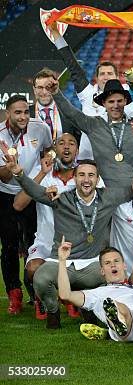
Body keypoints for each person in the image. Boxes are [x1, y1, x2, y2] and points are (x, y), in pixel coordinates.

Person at [6, 157, 133, 328]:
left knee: (114, 274)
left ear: (97, 179)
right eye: (81, 175)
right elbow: (35, 191)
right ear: (74, 178)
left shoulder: (108, 197)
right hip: (61, 262)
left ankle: (93, 309)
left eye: (91, 175)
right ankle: (53, 311)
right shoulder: (61, 197)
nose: (86, 179)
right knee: (41, 278)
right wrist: (18, 173)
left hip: (92, 264)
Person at [47, 14, 133, 159]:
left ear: (117, 77)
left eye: (110, 73)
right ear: (96, 79)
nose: (106, 76)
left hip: (121, 159)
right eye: (102, 74)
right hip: (89, 160)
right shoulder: (87, 93)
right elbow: (73, 67)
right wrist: (56, 34)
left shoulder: (129, 92)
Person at [11, 133, 98, 319]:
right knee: (34, 268)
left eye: (72, 143)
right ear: (54, 149)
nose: (66, 147)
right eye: (61, 143)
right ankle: (44, 301)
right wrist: (42, 174)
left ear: (77, 150)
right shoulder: (41, 170)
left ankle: (71, 297)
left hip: (77, 243)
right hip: (46, 241)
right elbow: (18, 204)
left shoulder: (86, 175)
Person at [57, 240, 133, 349]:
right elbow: (65, 295)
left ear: (124, 266)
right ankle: (117, 319)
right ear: (102, 271)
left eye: (116, 261)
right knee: (118, 306)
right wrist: (62, 260)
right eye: (107, 263)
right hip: (127, 324)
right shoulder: (96, 293)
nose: (113, 265)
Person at [44, 76, 133, 189]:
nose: (115, 105)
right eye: (111, 101)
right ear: (104, 103)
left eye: (119, 101)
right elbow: (71, 114)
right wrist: (56, 93)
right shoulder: (94, 125)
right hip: (104, 195)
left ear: (125, 101)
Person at [0, 94, 52, 314]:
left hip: (32, 193)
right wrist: (10, 170)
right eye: (17, 112)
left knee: (33, 242)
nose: (23, 116)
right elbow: (3, 177)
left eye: (26, 112)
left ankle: (35, 292)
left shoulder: (40, 129)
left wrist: (41, 171)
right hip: (4, 194)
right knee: (9, 245)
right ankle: (14, 293)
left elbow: (47, 152)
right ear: (8, 113)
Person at [30, 68, 79, 142]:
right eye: (40, 87)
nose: (44, 92)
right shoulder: (25, 114)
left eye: (48, 87)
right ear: (34, 89)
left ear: (56, 88)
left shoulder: (68, 113)